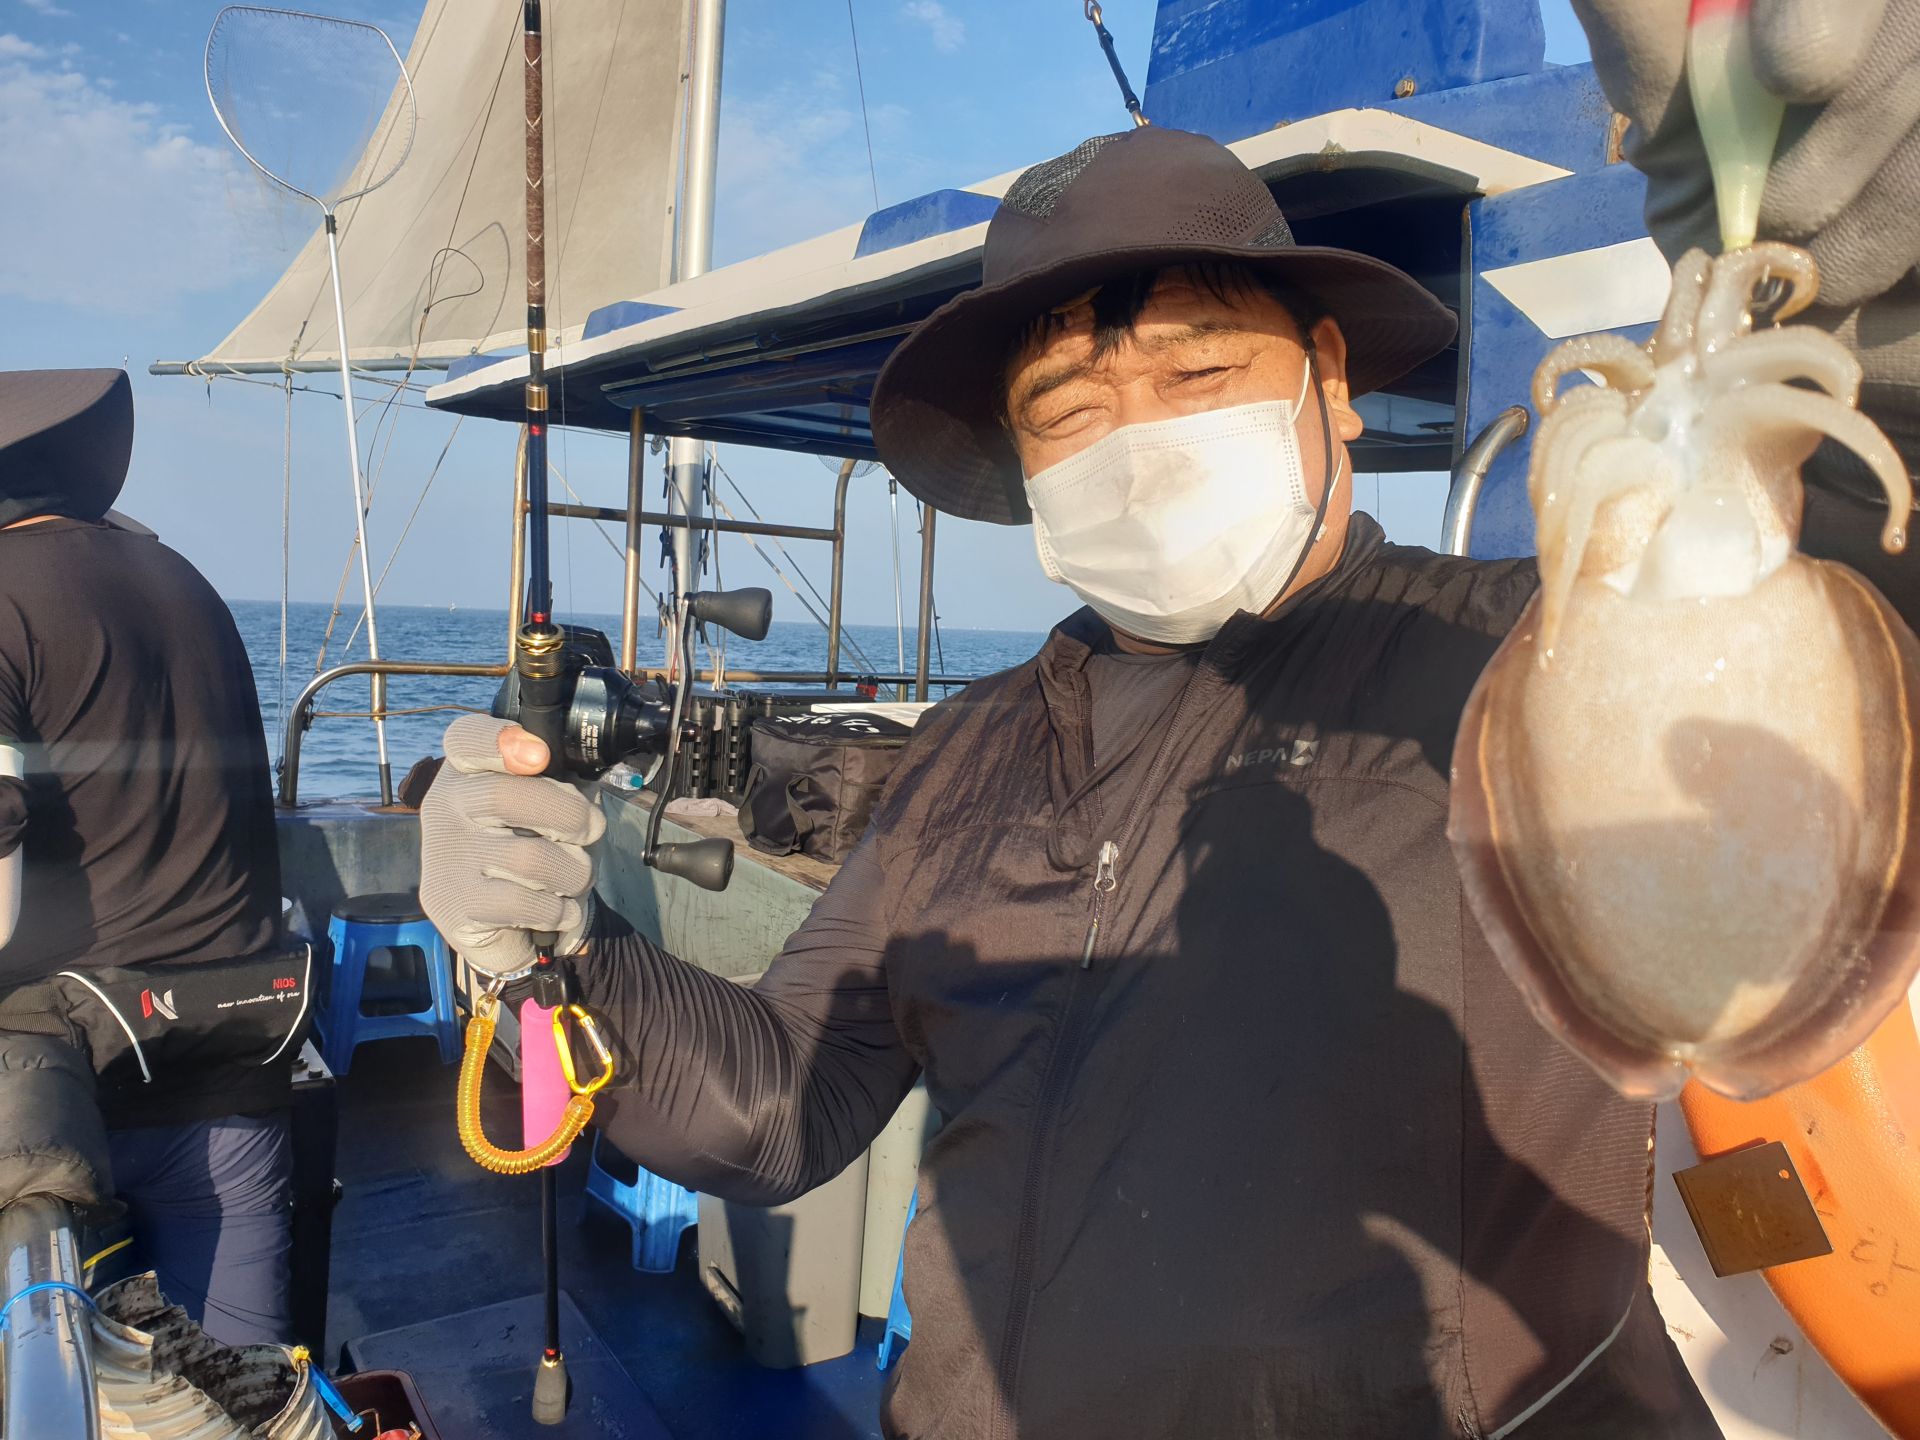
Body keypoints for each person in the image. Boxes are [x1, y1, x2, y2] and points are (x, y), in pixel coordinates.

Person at [422, 7, 1920, 1432]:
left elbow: (1835, 615)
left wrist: (1889, 335)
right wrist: (549, 956)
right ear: (1024, 469)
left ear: (1331, 384)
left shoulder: (1524, 652)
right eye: (1068, 410)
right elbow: (777, 1106)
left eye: (1200, 369)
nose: (1137, 437)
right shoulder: (963, 754)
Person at [0, 369, 299, 1347]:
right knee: (244, 1388)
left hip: (58, 1093)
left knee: (54, 1382)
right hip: (234, 1061)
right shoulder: (188, 584)